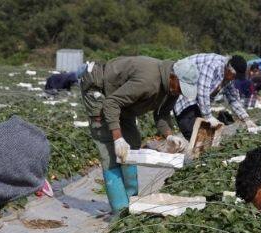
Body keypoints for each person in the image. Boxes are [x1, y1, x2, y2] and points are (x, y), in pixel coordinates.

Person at [79, 56, 198, 214]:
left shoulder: (172, 88)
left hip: (120, 99)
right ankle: (120, 211)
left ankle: (131, 202)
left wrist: (169, 135)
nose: (180, 92)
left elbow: (162, 113)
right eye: (180, 87)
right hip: (99, 88)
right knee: (110, 151)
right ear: (173, 77)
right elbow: (111, 103)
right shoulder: (148, 81)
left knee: (133, 144)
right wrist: (118, 138)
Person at [173, 54, 257, 139]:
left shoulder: (228, 76)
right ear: (229, 69)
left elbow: (233, 99)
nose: (233, 79)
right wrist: (208, 116)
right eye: (234, 76)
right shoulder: (213, 65)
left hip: (195, 97)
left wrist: (246, 118)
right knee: (192, 131)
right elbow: (202, 91)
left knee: (202, 133)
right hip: (182, 88)